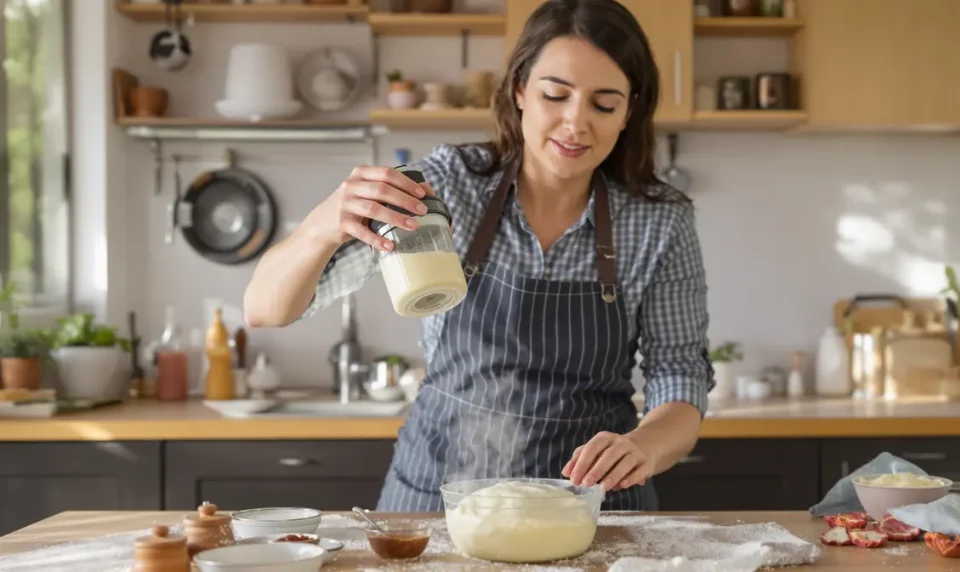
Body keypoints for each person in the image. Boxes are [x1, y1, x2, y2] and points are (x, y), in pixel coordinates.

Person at [242, 0, 714, 512]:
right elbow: (265, 310)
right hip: (436, 506)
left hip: (588, 511)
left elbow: (680, 375)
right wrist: (322, 225)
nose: (575, 123)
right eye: (555, 95)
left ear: (629, 111)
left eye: (604, 104)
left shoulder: (659, 221)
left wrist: (643, 445)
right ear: (519, 91)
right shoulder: (445, 187)